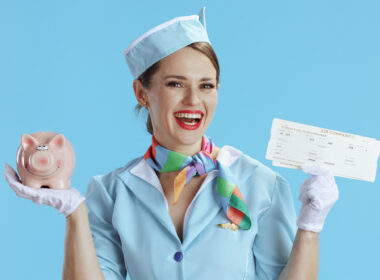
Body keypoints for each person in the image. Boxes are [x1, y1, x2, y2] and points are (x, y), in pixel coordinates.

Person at [4, 7, 339, 280]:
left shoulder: (260, 185)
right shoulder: (110, 193)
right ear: (141, 93)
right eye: (176, 84)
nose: (193, 100)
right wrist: (74, 213)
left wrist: (310, 227)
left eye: (207, 86)